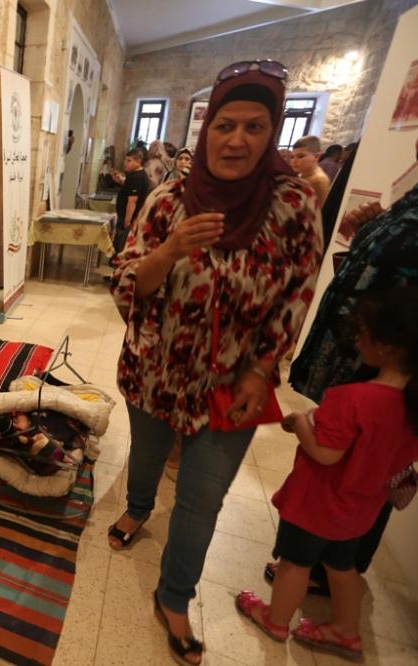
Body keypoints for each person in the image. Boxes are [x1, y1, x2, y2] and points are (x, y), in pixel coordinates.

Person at [107, 59, 322, 665]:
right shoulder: (169, 200)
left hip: (233, 385)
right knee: (146, 454)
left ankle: (174, 595)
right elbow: (126, 283)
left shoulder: (293, 205)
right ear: (206, 132)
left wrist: (261, 368)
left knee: (202, 499)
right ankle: (138, 509)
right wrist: (172, 249)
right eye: (225, 125)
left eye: (255, 127)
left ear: (272, 133)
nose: (236, 140)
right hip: (155, 369)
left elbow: (299, 292)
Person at [236, 288, 418, 661]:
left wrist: (300, 421)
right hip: (360, 511)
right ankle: (346, 632)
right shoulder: (412, 408)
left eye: (363, 332)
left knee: (294, 565)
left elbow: (324, 453)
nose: (357, 338)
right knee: (342, 567)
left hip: (316, 505)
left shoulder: (351, 399)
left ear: (385, 347)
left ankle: (275, 620)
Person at [112, 146, 149, 255]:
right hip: (125, 217)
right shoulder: (134, 175)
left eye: (129, 160)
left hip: (128, 219)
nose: (125, 163)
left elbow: (132, 200)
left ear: (138, 162)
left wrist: (127, 221)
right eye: (125, 159)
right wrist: (120, 182)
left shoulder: (137, 177)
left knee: (121, 246)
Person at [291, 135, 331, 208]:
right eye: (292, 157)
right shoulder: (302, 174)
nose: (294, 161)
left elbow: (319, 210)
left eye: (300, 156)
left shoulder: (319, 181)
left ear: (316, 156)